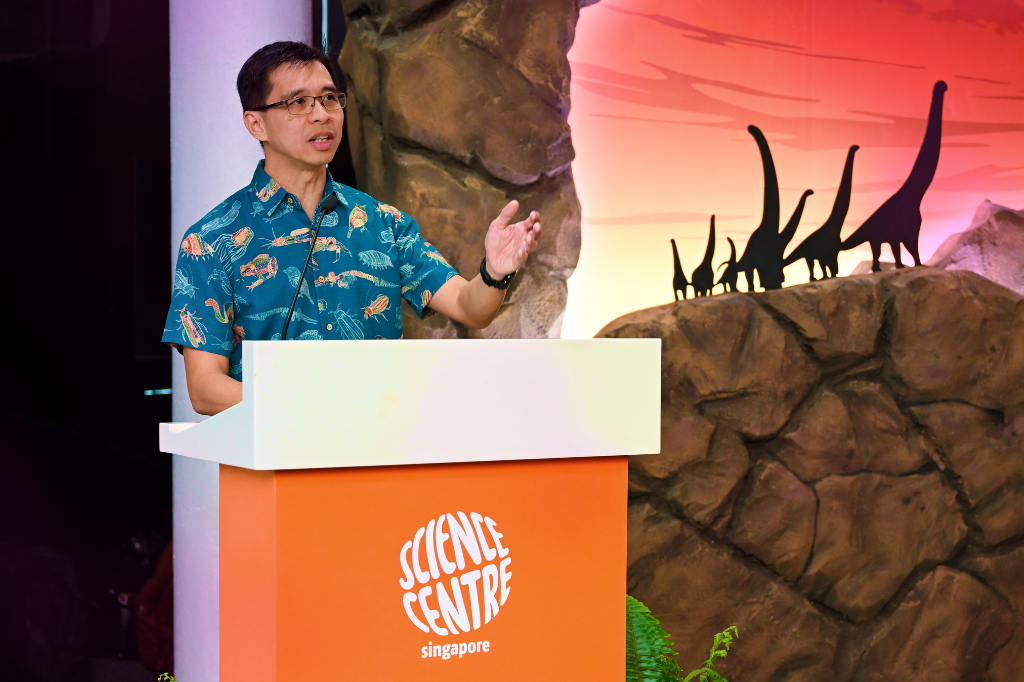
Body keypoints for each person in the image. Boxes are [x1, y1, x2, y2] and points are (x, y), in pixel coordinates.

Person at [162, 42, 541, 416]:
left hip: (378, 444)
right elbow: (205, 389)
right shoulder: (211, 241)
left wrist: (494, 273)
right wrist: (307, 409)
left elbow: (468, 307)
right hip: (272, 450)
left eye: (329, 98)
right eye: (299, 102)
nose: (321, 115)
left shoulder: (384, 223)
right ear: (256, 123)